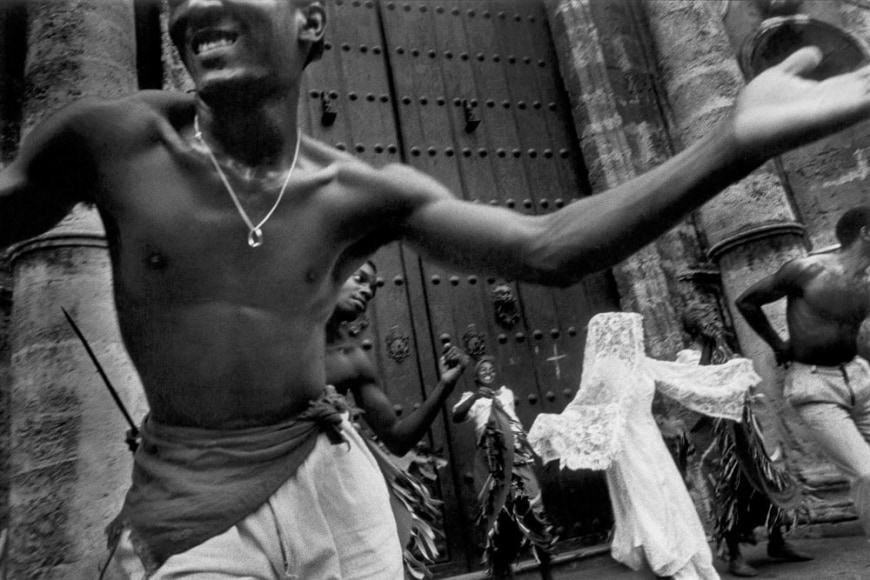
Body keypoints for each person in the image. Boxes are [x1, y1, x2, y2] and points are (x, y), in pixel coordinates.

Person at [2, 0, 870, 575]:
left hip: (329, 476)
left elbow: (546, 248)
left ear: (308, 23)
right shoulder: (112, 141)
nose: (196, 6)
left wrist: (734, 142)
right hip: (189, 497)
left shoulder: (357, 192)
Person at [529, 312, 763, 580]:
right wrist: (555, 427)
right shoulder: (604, 369)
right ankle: (674, 565)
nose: (635, 336)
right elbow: (589, 408)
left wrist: (731, 377)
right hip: (628, 446)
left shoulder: (641, 364)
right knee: (649, 501)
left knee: (671, 498)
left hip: (650, 439)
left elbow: (684, 378)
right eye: (630, 331)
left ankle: (695, 564)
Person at [325, 261, 469, 579]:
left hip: (343, 487)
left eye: (373, 287)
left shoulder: (353, 359)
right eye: (360, 278)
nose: (366, 290)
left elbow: (397, 438)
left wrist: (444, 386)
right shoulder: (283, 338)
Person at [736, 206, 870, 540]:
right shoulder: (807, 270)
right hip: (815, 386)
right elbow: (747, 301)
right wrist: (778, 345)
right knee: (866, 473)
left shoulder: (867, 282)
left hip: (859, 377)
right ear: (866, 233)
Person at [676, 304, 811, 577]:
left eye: (713, 317)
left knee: (767, 476)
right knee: (727, 487)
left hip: (746, 426)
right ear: (693, 329)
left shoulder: (724, 349)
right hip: (716, 433)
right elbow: (696, 392)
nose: (713, 322)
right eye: (706, 319)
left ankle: (777, 541)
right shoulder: (686, 359)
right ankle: (734, 555)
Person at [452, 356, 556, 580]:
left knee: (534, 513)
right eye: (483, 370)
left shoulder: (505, 394)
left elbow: (513, 421)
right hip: (492, 465)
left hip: (516, 458)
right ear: (476, 377)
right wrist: (477, 397)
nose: (488, 372)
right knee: (499, 521)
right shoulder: (471, 400)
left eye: (491, 369)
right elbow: (456, 415)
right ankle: (503, 572)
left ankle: (546, 571)